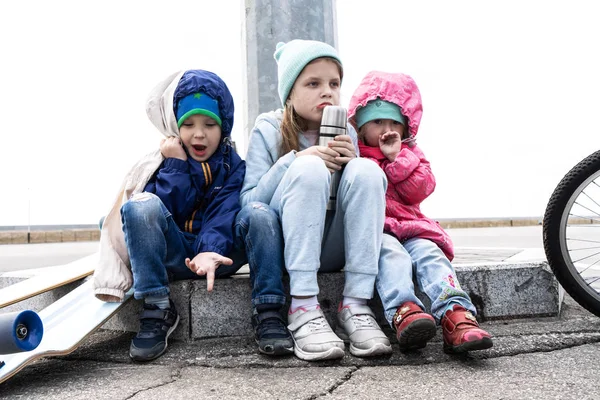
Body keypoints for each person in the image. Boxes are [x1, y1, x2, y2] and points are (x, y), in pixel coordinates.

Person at [93, 69, 291, 361]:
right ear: (176, 127)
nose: (199, 133)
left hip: (220, 256)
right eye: (189, 124)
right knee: (139, 205)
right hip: (174, 255)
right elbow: (159, 215)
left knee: (259, 213)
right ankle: (157, 306)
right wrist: (175, 166)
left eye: (210, 124)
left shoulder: (234, 167)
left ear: (223, 127)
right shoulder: (163, 163)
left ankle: (269, 310)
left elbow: (225, 212)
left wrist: (210, 250)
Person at [241, 39, 392, 361]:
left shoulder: (346, 132)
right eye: (313, 83)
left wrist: (351, 164)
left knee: (366, 170)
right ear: (289, 94)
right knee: (309, 167)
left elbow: (361, 198)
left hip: (332, 247)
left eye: (334, 84)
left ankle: (355, 303)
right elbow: (250, 204)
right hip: (288, 249)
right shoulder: (268, 129)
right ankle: (303, 305)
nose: (327, 92)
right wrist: (294, 159)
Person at [348, 70, 493, 353]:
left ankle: (456, 313)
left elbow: (421, 189)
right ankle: (405, 310)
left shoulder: (411, 154)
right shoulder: (356, 157)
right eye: (377, 122)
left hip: (413, 226)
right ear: (361, 126)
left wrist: (397, 158)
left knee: (431, 255)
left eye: (394, 122)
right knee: (390, 256)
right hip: (380, 230)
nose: (387, 129)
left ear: (405, 127)